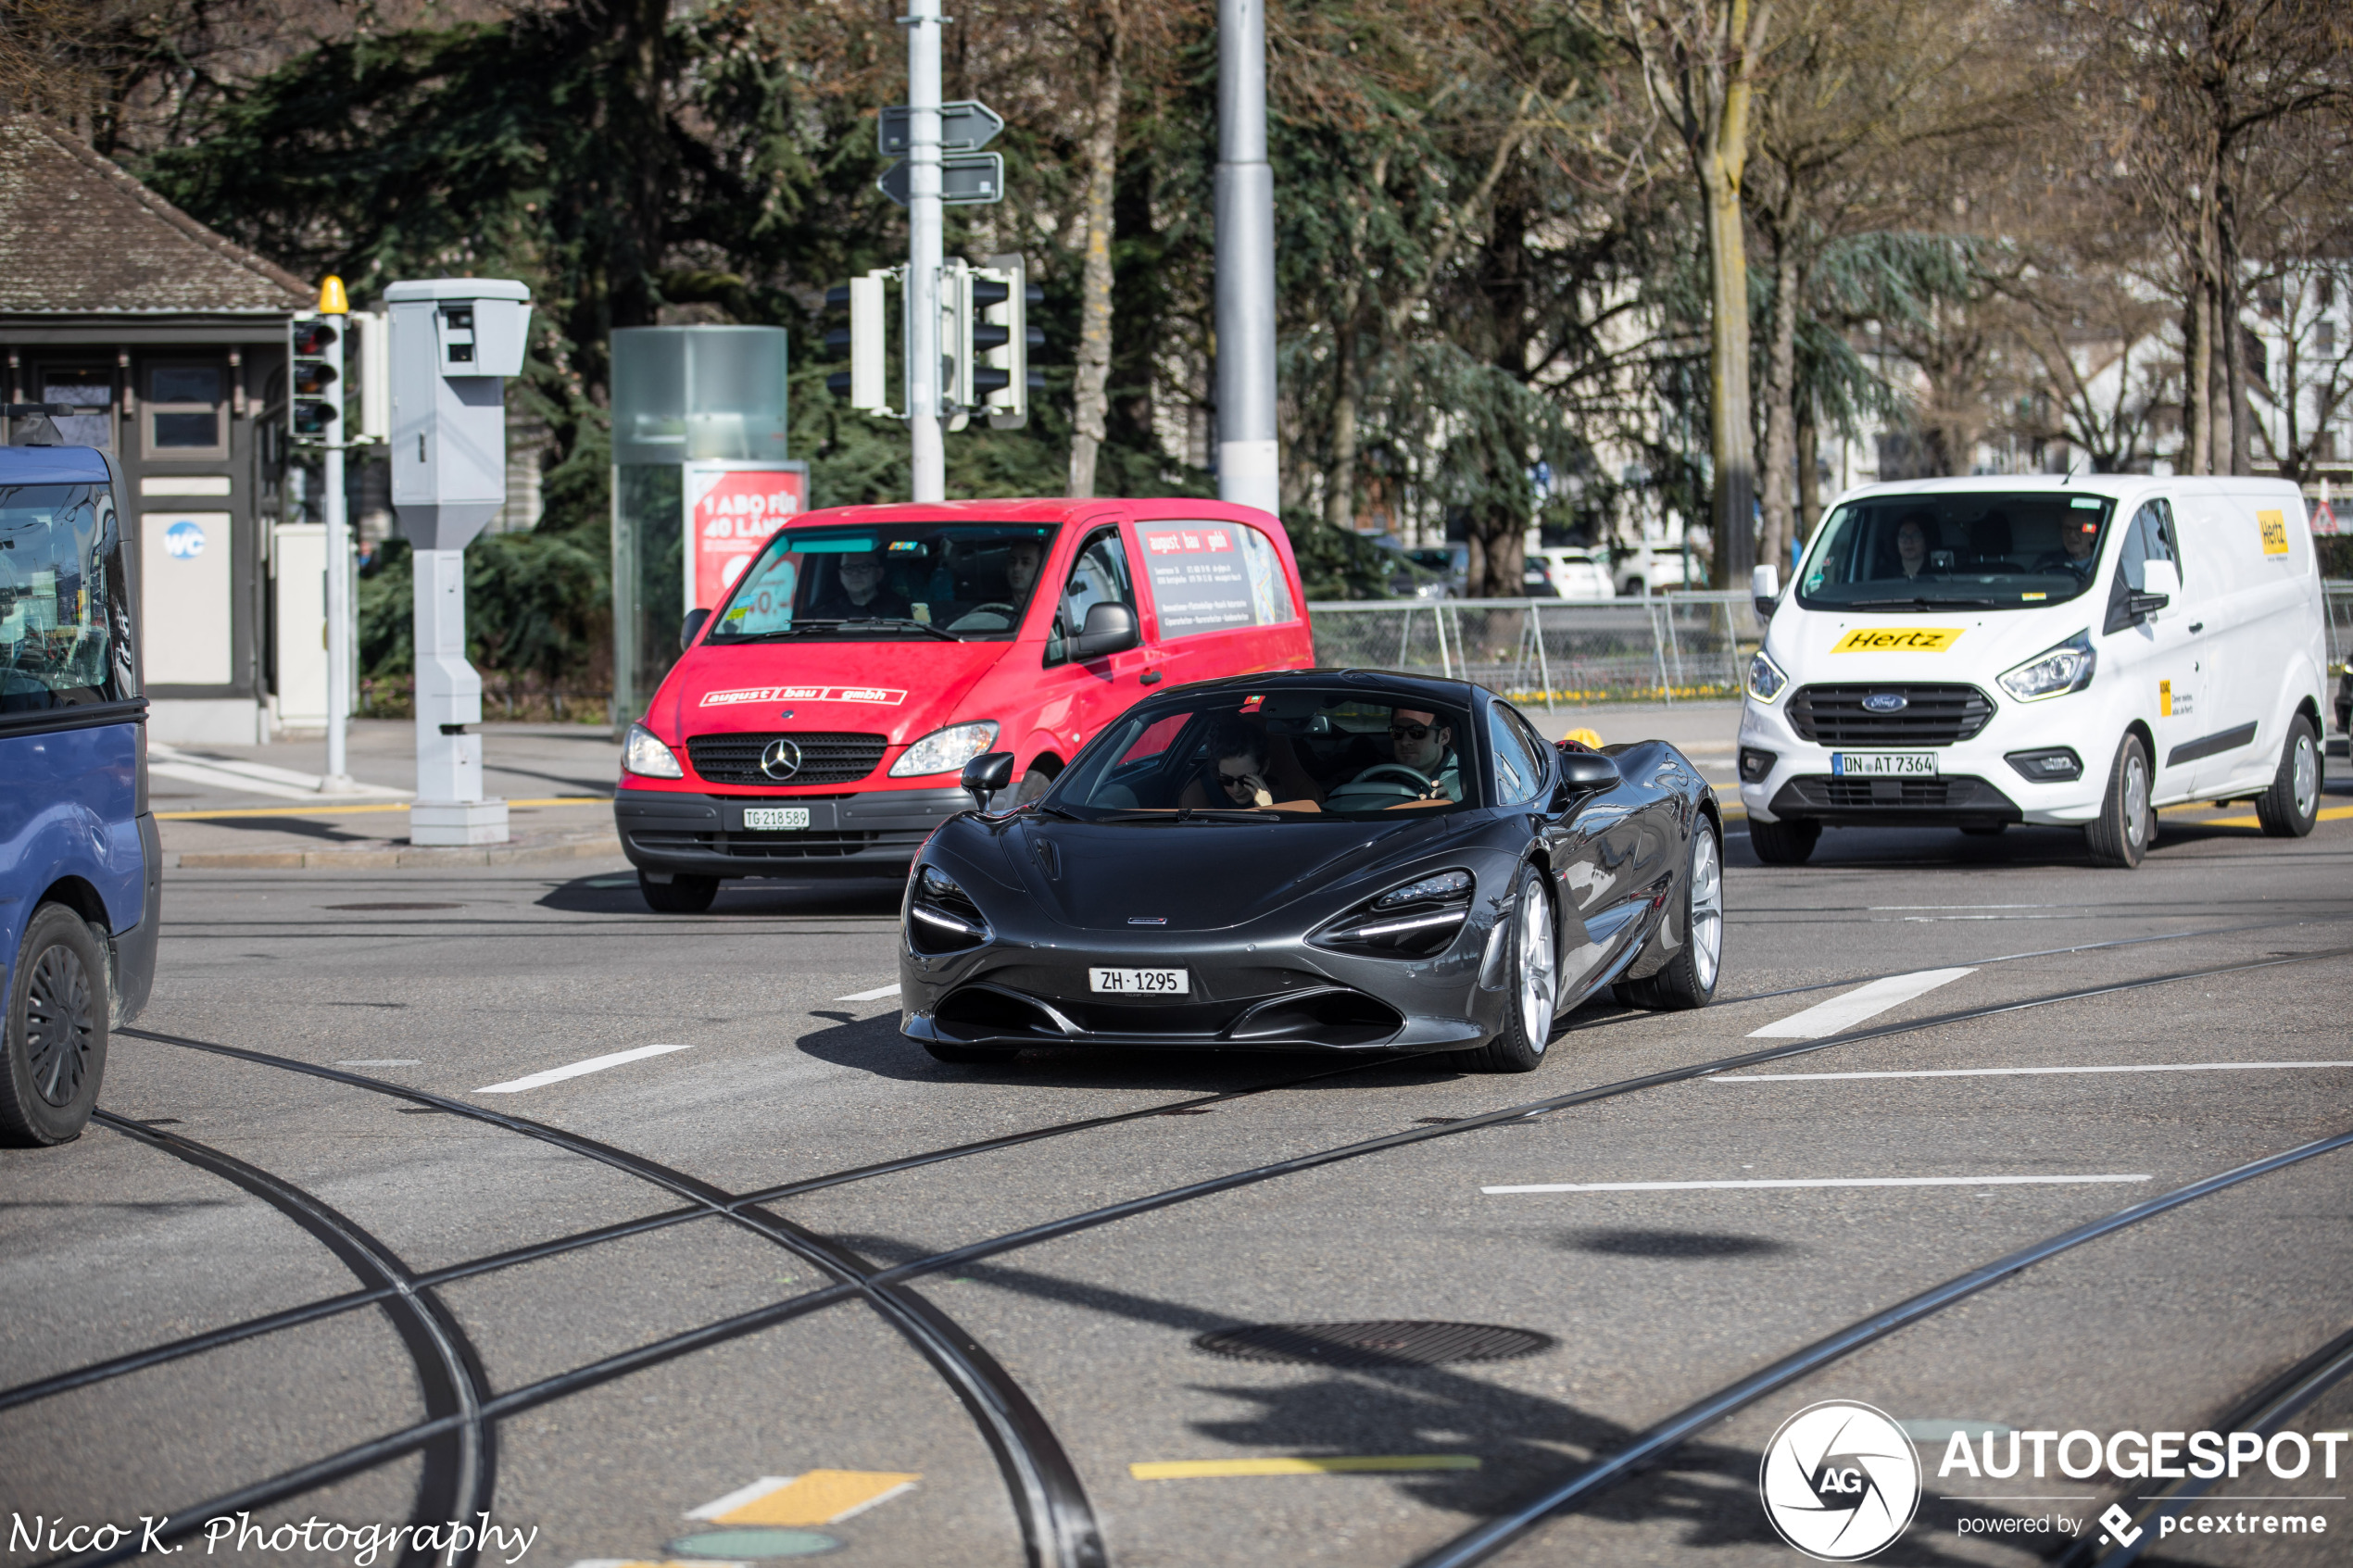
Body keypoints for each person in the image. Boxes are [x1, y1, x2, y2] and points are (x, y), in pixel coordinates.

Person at [1347, 708, 1462, 802]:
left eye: (1417, 731)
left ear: (1444, 736)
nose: (1405, 742)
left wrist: (1452, 813)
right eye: (1397, 731)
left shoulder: (1470, 781)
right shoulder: (1374, 782)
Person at [807, 550, 911, 621]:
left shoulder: (901, 609)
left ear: (879, 573)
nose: (855, 573)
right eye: (848, 568)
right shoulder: (823, 613)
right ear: (840, 575)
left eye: (864, 567)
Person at [2034, 516, 2099, 578]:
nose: (2071, 535)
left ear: (2092, 535)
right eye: (2067, 528)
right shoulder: (2047, 562)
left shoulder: (2104, 562)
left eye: (2079, 529)